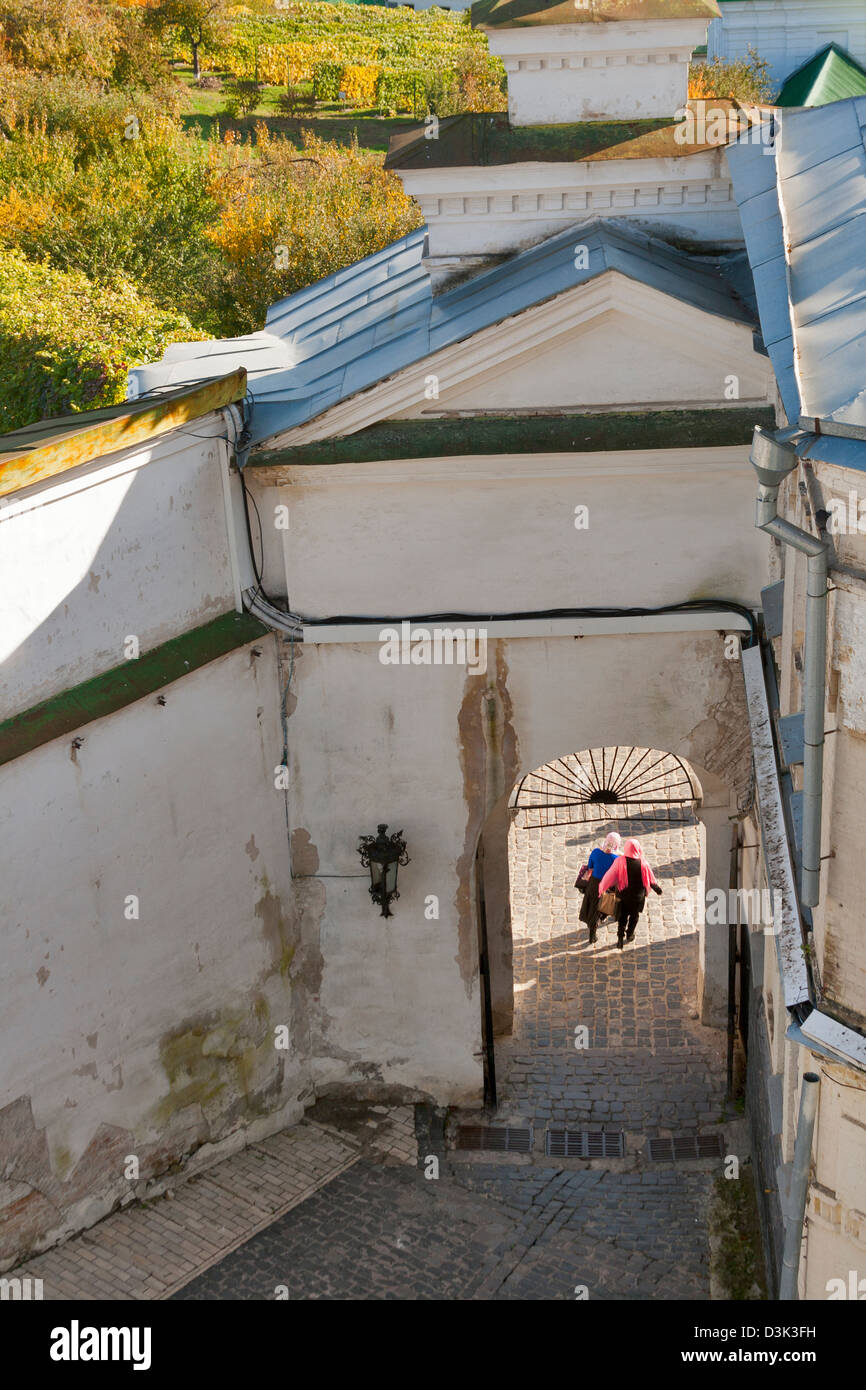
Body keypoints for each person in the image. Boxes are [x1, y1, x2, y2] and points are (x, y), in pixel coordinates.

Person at [597, 837, 663, 949]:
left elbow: (609, 876)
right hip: (637, 898)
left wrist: (602, 888)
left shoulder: (619, 861)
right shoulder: (643, 863)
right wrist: (658, 889)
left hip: (623, 897)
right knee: (634, 916)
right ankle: (630, 934)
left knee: (622, 918)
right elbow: (650, 879)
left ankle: (619, 940)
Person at [577, 831, 622, 943]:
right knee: (602, 906)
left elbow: (590, 866)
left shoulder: (596, 852)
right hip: (606, 886)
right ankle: (597, 924)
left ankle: (592, 931)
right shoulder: (616, 859)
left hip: (593, 884)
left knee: (592, 905)